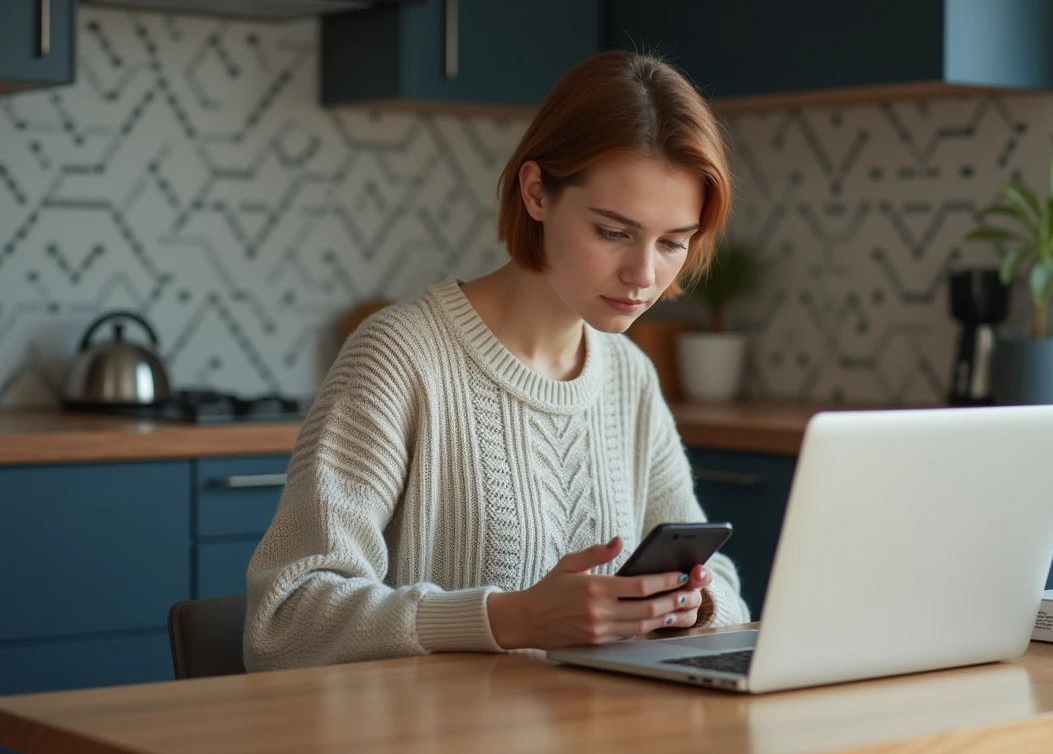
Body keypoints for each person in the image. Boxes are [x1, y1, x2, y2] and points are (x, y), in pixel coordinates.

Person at [243, 49, 751, 671]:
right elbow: (285, 621)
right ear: (536, 192)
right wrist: (514, 618)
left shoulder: (628, 374)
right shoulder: (400, 357)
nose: (644, 275)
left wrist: (690, 605)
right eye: (614, 233)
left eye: (673, 242)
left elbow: (718, 580)